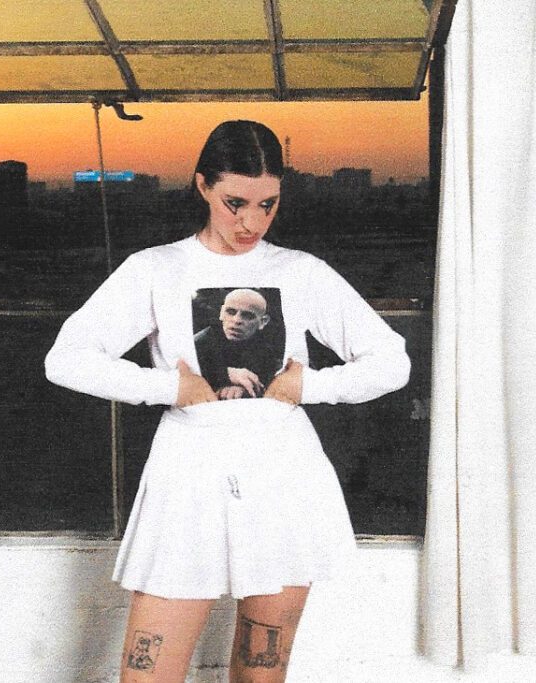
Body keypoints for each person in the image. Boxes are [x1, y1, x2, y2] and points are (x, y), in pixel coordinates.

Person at [45, 120, 410, 683]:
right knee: (147, 675)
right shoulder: (155, 268)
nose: (251, 223)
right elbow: (66, 359)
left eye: (268, 205)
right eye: (235, 203)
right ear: (202, 186)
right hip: (189, 472)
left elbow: (392, 361)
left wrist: (309, 386)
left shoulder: (300, 272)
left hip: (284, 473)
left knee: (261, 673)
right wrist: (169, 388)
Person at [193, 287, 282, 399]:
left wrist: (244, 389)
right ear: (221, 313)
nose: (236, 320)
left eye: (247, 316)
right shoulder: (199, 343)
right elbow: (179, 371)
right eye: (230, 312)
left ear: (263, 321)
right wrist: (225, 374)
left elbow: (270, 379)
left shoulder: (265, 351)